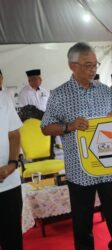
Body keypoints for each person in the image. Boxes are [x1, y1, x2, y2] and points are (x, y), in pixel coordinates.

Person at [41, 42, 112, 250]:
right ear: (73, 66)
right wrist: (69, 126)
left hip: (108, 163)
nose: (93, 69)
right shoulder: (59, 94)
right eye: (88, 65)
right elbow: (45, 127)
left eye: (95, 64)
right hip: (80, 168)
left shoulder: (105, 91)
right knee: (82, 218)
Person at [0, 92, 23, 250]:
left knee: (12, 239)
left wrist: (12, 164)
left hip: (9, 183)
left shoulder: (3, 97)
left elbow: (14, 135)